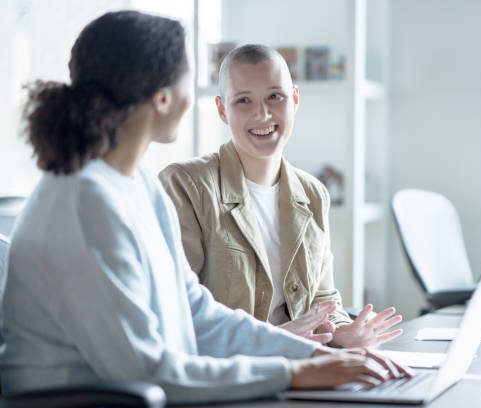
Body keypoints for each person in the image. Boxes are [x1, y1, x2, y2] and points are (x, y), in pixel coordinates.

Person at [0, 11, 411, 404]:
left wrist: (314, 357)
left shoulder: (136, 184)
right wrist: (292, 372)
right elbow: (145, 370)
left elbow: (197, 312)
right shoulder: (85, 201)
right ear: (162, 97)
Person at [159, 44, 403, 347]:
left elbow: (325, 300)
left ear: (295, 99)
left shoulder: (313, 194)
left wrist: (342, 333)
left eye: (275, 97)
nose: (262, 114)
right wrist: (272, 338)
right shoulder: (186, 185)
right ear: (222, 109)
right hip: (238, 372)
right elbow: (179, 312)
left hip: (304, 366)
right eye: (244, 101)